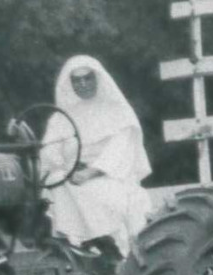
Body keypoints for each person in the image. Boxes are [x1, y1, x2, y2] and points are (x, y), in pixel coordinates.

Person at [39, 55, 152, 257]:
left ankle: (113, 246)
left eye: (88, 78)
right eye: (77, 80)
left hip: (110, 175)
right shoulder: (61, 117)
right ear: (70, 84)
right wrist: (67, 169)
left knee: (114, 198)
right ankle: (80, 244)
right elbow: (49, 152)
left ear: (97, 78)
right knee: (55, 181)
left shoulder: (118, 111)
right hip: (71, 178)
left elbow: (120, 149)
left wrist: (91, 172)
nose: (83, 84)